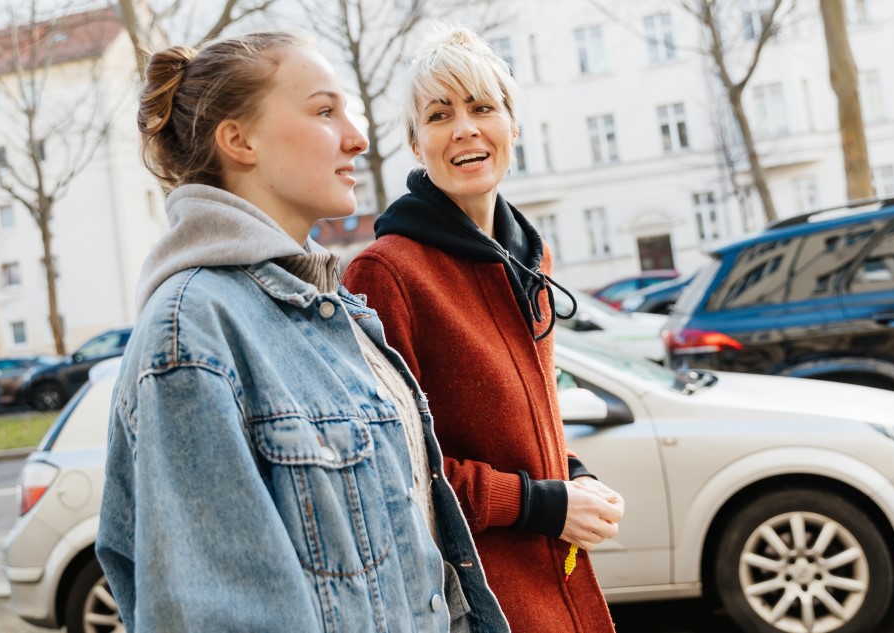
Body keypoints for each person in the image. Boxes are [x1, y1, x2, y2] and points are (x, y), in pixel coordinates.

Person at [95, 32, 508, 632]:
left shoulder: (333, 310)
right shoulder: (192, 334)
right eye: (323, 111)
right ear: (239, 140)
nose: (357, 138)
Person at [344, 27, 624, 633]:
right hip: (474, 600)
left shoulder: (529, 258)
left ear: (512, 127)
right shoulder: (386, 272)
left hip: (558, 579)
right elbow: (396, 470)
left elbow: (518, 424)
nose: (465, 128)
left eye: (482, 108)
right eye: (440, 115)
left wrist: (571, 475)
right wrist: (545, 505)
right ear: (417, 146)